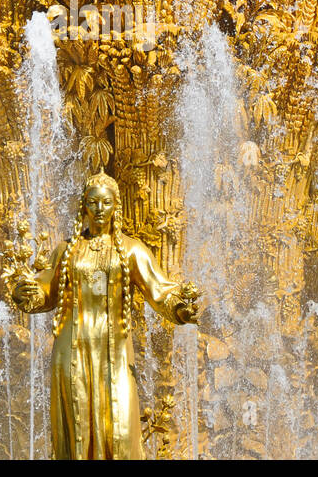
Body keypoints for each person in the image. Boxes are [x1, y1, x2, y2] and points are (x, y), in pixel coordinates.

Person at [11, 173, 200, 459]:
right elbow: (47, 291)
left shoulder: (132, 249)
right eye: (93, 202)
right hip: (72, 349)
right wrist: (27, 292)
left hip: (116, 351)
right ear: (83, 207)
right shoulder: (66, 250)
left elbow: (159, 289)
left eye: (106, 202)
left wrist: (180, 308)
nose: (100, 209)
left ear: (116, 207)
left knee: (121, 427)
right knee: (77, 426)